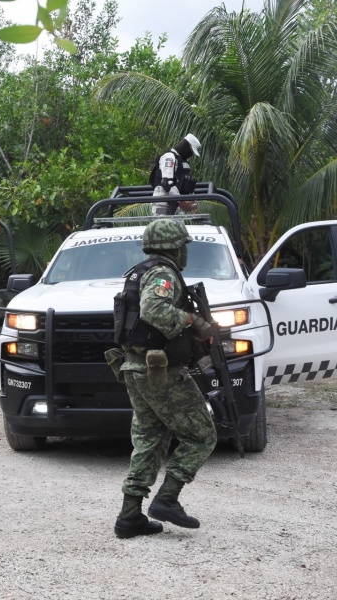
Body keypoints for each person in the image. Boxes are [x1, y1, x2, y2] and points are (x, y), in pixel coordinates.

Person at [112, 218, 216, 538]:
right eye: (183, 245)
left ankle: (130, 516)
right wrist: (193, 322)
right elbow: (153, 310)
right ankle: (167, 499)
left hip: (135, 367)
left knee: (149, 438)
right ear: (174, 247)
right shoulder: (163, 273)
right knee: (202, 435)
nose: (185, 252)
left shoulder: (139, 271)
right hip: (159, 370)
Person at [150, 134, 201, 216]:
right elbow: (166, 182)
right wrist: (182, 202)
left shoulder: (183, 164)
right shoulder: (169, 157)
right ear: (186, 145)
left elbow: (185, 185)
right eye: (191, 150)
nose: (191, 154)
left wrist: (192, 204)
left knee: (180, 228)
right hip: (162, 204)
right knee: (163, 227)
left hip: (176, 204)